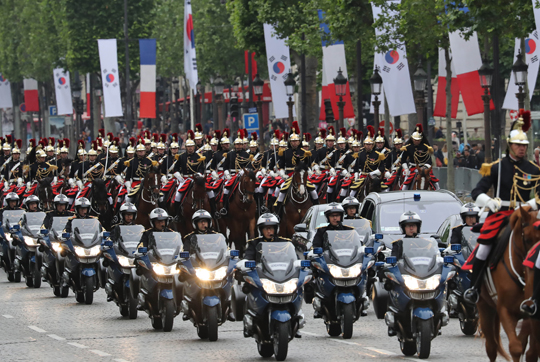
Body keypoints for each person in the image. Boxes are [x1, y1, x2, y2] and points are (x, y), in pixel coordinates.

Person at [466, 109, 540, 307]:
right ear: (510, 146)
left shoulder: (534, 169)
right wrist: (488, 202)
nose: (521, 149)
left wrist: (530, 205)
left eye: (524, 145)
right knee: (483, 247)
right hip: (501, 215)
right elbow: (477, 191)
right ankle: (474, 288)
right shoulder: (496, 167)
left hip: (525, 216)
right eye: (518, 145)